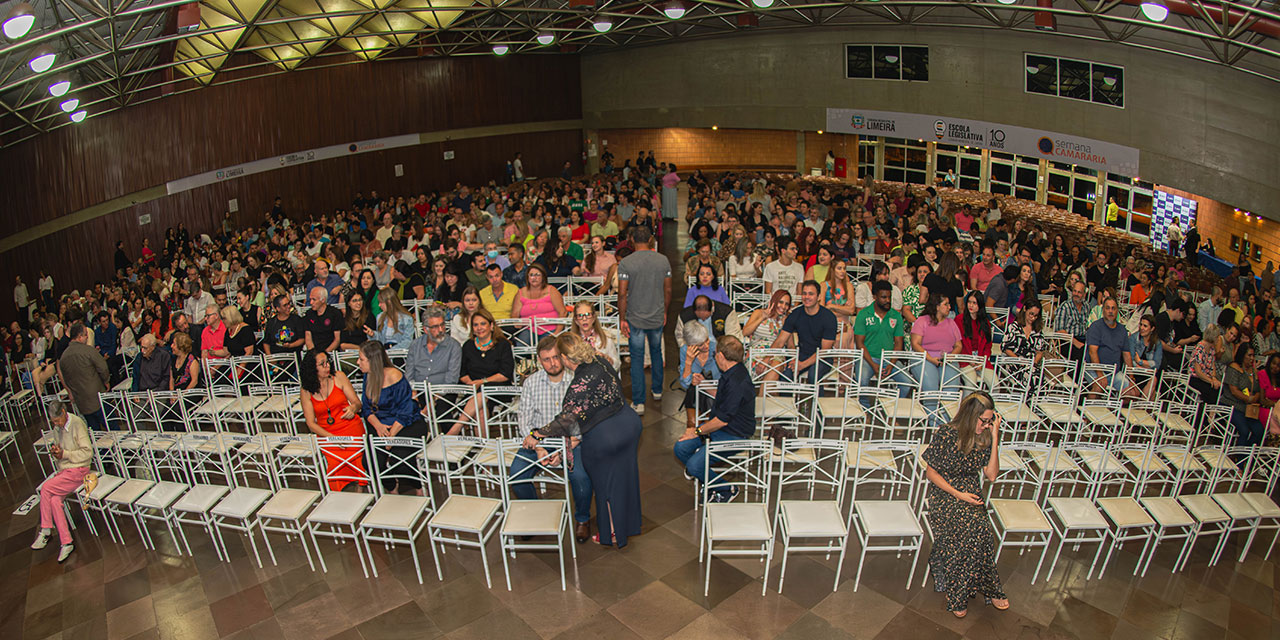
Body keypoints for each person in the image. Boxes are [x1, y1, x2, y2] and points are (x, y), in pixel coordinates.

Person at [527, 332, 642, 548]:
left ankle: (612, 533)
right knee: (624, 479)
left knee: (605, 485)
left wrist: (537, 433)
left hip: (606, 437)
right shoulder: (600, 359)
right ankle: (628, 525)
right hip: (629, 423)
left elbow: (565, 422)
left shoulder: (578, 384)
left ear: (564, 357)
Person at [923, 391, 1008, 617]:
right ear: (971, 416)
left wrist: (996, 437)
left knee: (982, 530)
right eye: (984, 421)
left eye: (990, 421)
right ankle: (958, 592)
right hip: (945, 492)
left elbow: (991, 475)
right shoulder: (946, 434)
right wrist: (958, 494)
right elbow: (931, 473)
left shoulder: (985, 437)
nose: (987, 425)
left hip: (970, 491)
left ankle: (987, 587)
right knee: (968, 530)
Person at [511, 337, 594, 543]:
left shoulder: (577, 380)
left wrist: (568, 445)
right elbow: (524, 419)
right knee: (516, 474)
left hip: (572, 441)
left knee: (582, 479)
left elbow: (587, 417)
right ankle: (534, 514)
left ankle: (582, 519)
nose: (553, 363)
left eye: (556, 357)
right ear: (540, 360)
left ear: (563, 357)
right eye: (547, 359)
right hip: (540, 440)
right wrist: (538, 448)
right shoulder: (531, 383)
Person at [673, 335, 755, 502]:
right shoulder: (731, 371)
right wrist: (705, 384)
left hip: (735, 434)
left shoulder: (738, 382)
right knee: (680, 448)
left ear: (721, 356)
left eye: (715, 352)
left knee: (694, 465)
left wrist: (697, 431)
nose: (713, 355)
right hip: (720, 428)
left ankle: (726, 488)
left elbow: (722, 420)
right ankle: (707, 479)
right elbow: (722, 397)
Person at [358, 341, 429, 495]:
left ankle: (418, 485)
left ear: (373, 361)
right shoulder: (367, 376)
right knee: (370, 462)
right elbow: (366, 408)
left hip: (406, 423)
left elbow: (407, 408)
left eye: (361, 359)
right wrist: (378, 426)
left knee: (400, 460)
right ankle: (391, 485)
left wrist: (392, 436)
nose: (358, 363)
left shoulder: (394, 375)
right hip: (381, 424)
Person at [617, 227, 672, 416]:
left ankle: (639, 402)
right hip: (656, 315)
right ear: (650, 240)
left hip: (635, 318)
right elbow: (668, 290)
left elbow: (622, 293)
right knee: (656, 352)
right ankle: (657, 391)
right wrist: (665, 310)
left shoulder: (626, 263)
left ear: (632, 240)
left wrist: (622, 318)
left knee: (637, 358)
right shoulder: (662, 260)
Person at [31, 401, 92, 563]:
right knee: (54, 500)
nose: (56, 424)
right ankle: (66, 542)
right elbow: (61, 449)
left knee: (46, 488)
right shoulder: (57, 428)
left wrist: (64, 454)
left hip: (79, 471)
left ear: (64, 412)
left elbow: (87, 453)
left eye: (57, 420)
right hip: (65, 471)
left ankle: (45, 529)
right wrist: (57, 452)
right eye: (53, 422)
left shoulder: (77, 424)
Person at [300, 350, 366, 491]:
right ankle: (338, 495)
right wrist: (332, 438)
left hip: (349, 426)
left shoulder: (339, 377)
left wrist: (353, 408)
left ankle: (361, 488)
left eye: (328, 362)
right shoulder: (306, 390)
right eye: (322, 364)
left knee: (356, 454)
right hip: (326, 433)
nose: (327, 366)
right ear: (312, 368)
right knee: (334, 461)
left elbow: (357, 402)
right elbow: (311, 423)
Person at [445, 308, 514, 436]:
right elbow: (462, 372)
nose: (479, 328)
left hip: (498, 389)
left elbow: (505, 373)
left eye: (483, 324)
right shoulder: (468, 345)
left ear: (491, 326)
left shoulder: (503, 345)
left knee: (482, 392)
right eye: (475, 325)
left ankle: (456, 428)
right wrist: (470, 383)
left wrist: (482, 382)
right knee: (480, 411)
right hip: (473, 390)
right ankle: (483, 446)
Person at [771, 280, 837, 383]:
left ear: (819, 297)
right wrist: (766, 359)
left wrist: (801, 365)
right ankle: (789, 400)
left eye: (811, 294)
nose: (807, 297)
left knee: (813, 374)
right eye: (804, 293)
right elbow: (780, 341)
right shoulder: (795, 314)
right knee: (786, 375)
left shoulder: (829, 318)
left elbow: (824, 351)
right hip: (801, 353)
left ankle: (815, 399)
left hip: (822, 358)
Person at [57, 322, 110, 430]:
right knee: (111, 427)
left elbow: (65, 378)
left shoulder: (63, 357)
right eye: (86, 334)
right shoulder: (88, 350)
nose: (87, 337)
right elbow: (103, 368)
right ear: (80, 337)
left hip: (81, 400)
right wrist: (106, 380)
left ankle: (101, 447)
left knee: (95, 432)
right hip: (97, 397)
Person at [854, 280, 905, 387]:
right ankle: (864, 404)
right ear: (875, 297)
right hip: (868, 358)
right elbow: (859, 344)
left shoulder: (896, 316)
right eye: (883, 297)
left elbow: (898, 343)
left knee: (907, 383)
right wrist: (873, 364)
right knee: (862, 381)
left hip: (889, 358)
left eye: (889, 297)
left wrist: (891, 364)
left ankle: (891, 404)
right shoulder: (863, 314)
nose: (887, 300)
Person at [911, 293, 962, 393]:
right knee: (931, 389)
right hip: (925, 358)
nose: (949, 307)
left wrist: (950, 357)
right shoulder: (922, 321)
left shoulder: (951, 323)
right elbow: (915, 344)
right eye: (946, 304)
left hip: (947, 360)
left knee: (951, 390)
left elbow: (958, 345)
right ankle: (930, 408)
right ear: (937, 307)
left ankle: (946, 408)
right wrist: (931, 358)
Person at [678, 321, 720, 432]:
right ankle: (694, 443)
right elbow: (685, 384)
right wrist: (688, 361)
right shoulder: (684, 351)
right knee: (692, 423)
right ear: (691, 345)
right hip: (695, 394)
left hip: (715, 392)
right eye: (701, 344)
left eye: (706, 340)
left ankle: (706, 445)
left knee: (709, 425)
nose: (706, 345)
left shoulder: (715, 347)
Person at [405, 306, 461, 386]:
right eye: (435, 327)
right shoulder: (415, 345)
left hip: (444, 393)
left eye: (442, 325)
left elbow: (452, 379)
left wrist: (436, 396)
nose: (441, 330)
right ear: (425, 329)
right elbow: (409, 375)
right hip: (419, 391)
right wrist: (413, 392)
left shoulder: (454, 346)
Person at [1222, 344, 1265, 446]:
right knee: (1244, 431)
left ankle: (1246, 455)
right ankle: (1239, 459)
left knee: (1259, 431)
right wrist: (1249, 398)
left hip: (1248, 409)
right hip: (1233, 405)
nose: (1252, 358)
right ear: (1242, 355)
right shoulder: (1234, 368)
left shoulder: (1254, 372)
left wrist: (1255, 398)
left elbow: (1259, 389)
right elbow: (1234, 391)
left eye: (1253, 356)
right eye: (1249, 355)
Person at [1085, 298, 1131, 392]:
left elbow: (1127, 355)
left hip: (1115, 372)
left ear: (1117, 311)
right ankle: (1086, 406)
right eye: (1108, 308)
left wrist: (1131, 377)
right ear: (1103, 310)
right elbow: (1092, 352)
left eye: (1113, 308)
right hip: (1094, 369)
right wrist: (1100, 373)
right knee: (1100, 386)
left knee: (1132, 392)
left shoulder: (1122, 330)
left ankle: (1112, 407)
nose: (1110, 311)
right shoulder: (1096, 326)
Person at [955, 291, 996, 389]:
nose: (971, 305)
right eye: (969, 302)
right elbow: (957, 344)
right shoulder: (959, 320)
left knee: (995, 384)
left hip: (981, 359)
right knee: (971, 383)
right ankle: (966, 404)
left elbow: (988, 345)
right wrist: (970, 360)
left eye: (974, 303)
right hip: (964, 358)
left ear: (980, 305)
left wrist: (982, 361)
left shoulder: (985, 322)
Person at [513, 263, 566, 337]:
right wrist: (517, 324)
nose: (534, 278)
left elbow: (562, 312)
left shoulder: (552, 290)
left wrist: (557, 333)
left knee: (547, 346)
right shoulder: (521, 292)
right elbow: (515, 314)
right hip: (528, 329)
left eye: (537, 275)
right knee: (520, 344)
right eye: (531, 275)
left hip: (550, 329)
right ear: (527, 277)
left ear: (543, 277)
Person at [570, 300, 619, 368]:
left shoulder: (605, 337)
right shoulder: (571, 341)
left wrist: (607, 359)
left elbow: (617, 363)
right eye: (580, 316)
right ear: (576, 320)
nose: (584, 319)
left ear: (593, 318)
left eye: (588, 315)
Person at [1054, 280, 1092, 361]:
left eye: (1079, 292)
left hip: (1083, 339)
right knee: (1081, 353)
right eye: (1074, 291)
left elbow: (1089, 326)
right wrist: (1075, 342)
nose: (1076, 294)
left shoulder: (1087, 306)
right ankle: (1076, 374)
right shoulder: (1065, 307)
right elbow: (1059, 331)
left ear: (1084, 294)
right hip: (1067, 341)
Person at [1126, 314, 1162, 398]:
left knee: (1154, 380)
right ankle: (1141, 408)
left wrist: (1140, 362)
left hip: (1147, 375)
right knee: (1152, 394)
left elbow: (1157, 364)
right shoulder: (1133, 338)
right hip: (1133, 373)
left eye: (1145, 326)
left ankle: (1140, 408)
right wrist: (1144, 367)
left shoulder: (1157, 343)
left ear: (1152, 329)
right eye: (1141, 325)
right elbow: (1130, 360)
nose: (1141, 328)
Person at [1189, 325, 1226, 403]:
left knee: (1219, 389)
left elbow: (1212, 366)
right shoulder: (1200, 348)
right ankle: (1206, 412)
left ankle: (1209, 411)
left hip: (1206, 377)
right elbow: (1198, 372)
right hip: (1195, 378)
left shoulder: (1212, 349)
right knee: (1211, 390)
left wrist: (1214, 378)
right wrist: (1211, 381)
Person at [304, 286, 343, 352]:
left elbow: (337, 339)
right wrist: (313, 353)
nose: (311, 303)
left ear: (323, 300)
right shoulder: (309, 314)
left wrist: (325, 353)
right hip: (314, 351)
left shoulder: (335, 314)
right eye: (310, 299)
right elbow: (308, 338)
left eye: (314, 299)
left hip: (331, 350)